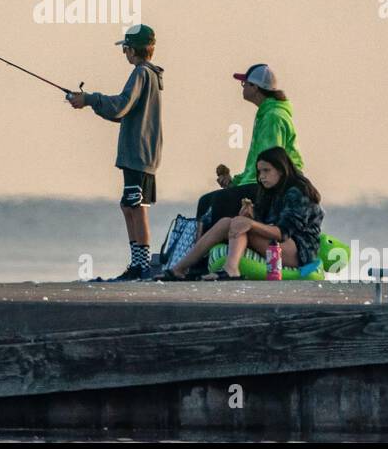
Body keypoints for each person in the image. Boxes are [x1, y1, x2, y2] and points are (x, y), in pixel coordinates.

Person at [184, 64, 306, 271]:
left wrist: (242, 188)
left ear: (255, 87)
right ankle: (198, 259)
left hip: (279, 184)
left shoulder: (272, 117)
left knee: (218, 201)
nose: (242, 88)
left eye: (244, 83)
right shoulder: (265, 114)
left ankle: (200, 263)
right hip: (262, 180)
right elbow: (256, 165)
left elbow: (270, 163)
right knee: (207, 201)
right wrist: (235, 182)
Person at [68, 23, 164, 281]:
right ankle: (137, 264)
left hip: (139, 153)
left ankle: (141, 267)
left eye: (125, 49)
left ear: (133, 50)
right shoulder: (150, 75)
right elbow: (124, 113)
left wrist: (90, 99)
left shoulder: (141, 74)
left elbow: (120, 106)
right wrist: (91, 103)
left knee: (137, 205)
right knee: (128, 204)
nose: (124, 54)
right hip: (139, 153)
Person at [159, 146, 323, 280]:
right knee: (226, 222)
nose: (262, 176)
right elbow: (265, 222)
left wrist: (251, 224)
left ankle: (231, 269)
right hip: (276, 244)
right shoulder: (270, 190)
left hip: (299, 252)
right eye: (259, 172)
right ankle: (179, 269)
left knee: (242, 225)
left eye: (267, 171)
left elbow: (283, 233)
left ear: (281, 169)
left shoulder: (298, 192)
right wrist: (250, 216)